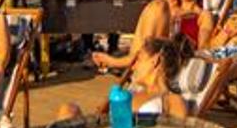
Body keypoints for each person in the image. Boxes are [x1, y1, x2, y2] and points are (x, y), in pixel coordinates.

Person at [91, 0, 216, 71]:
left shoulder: (203, 15)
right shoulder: (171, 6)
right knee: (159, 4)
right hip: (152, 51)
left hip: (174, 55)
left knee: (161, 5)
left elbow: (203, 46)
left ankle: (128, 60)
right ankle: (134, 58)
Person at [58, 34, 195, 121]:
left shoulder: (172, 100)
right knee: (68, 109)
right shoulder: (131, 92)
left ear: (155, 61)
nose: (133, 67)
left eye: (138, 60)